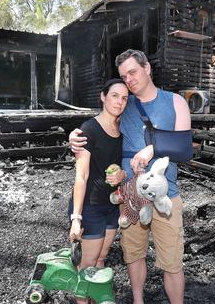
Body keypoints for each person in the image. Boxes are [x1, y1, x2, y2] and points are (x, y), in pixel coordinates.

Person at [70, 49, 191, 304]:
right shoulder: (124, 103)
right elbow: (100, 125)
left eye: (133, 72)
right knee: (134, 255)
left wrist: (153, 148)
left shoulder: (175, 102)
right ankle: (138, 300)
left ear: (147, 68)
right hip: (130, 197)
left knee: (172, 262)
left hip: (166, 196)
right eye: (124, 76)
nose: (129, 80)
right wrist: (75, 136)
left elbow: (184, 149)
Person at [67, 78, 128, 304]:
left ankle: (95, 299)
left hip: (111, 206)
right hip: (90, 207)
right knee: (87, 265)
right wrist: (76, 217)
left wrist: (122, 174)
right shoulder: (88, 130)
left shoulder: (123, 131)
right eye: (114, 95)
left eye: (124, 98)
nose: (119, 102)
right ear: (103, 97)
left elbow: (125, 165)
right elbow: (81, 176)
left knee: (101, 259)